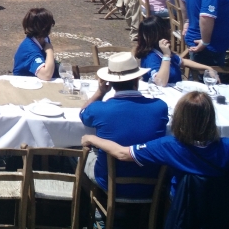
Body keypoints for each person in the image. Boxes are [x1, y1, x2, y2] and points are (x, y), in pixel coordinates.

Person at [82, 91, 229, 201]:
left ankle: (94, 206)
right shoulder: (226, 145)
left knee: (80, 158)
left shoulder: (169, 146)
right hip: (218, 204)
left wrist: (92, 138)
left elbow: (122, 153)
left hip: (183, 202)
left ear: (179, 118)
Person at [78, 52, 168, 199]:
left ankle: (95, 203)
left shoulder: (99, 109)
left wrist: (100, 92)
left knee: (77, 156)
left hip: (108, 181)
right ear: (137, 80)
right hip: (152, 184)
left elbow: (83, 113)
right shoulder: (160, 107)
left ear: (110, 82)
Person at [134, 16, 210, 87]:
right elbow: (160, 82)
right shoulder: (151, 57)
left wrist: (207, 68)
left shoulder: (160, 50)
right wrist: (166, 56)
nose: (169, 31)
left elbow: (182, 61)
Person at [12, 7, 59, 80]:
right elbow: (46, 75)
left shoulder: (44, 38)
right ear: (45, 27)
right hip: (25, 84)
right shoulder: (30, 50)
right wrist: (50, 51)